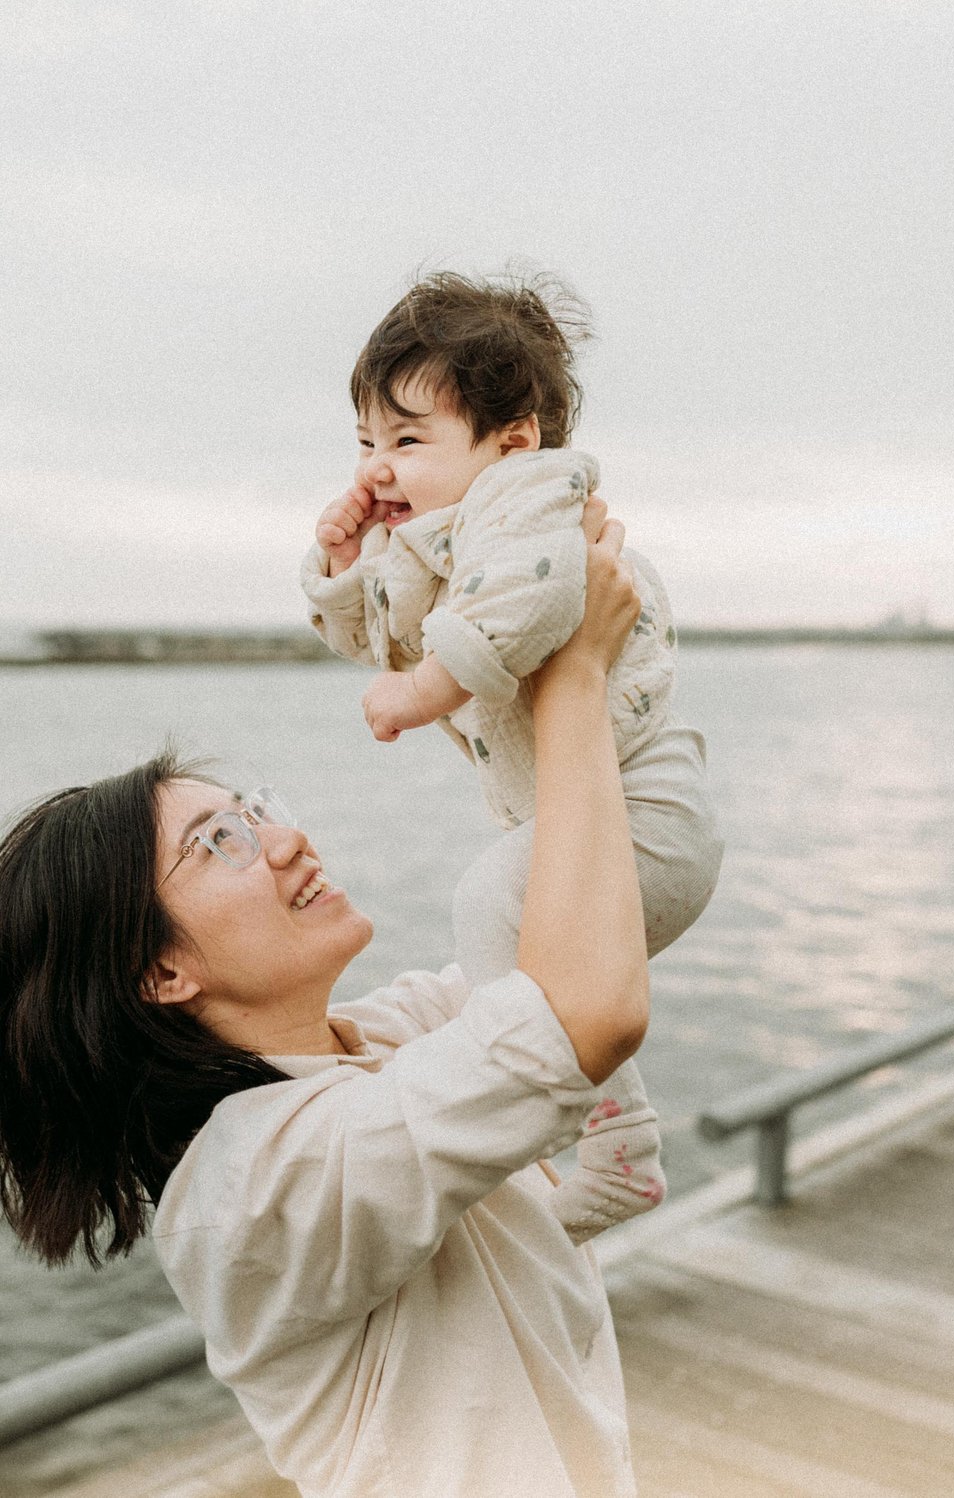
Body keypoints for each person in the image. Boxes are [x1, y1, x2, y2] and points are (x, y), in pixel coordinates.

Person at [1, 507, 650, 1497]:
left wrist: (448, 574)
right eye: (218, 843)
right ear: (159, 974)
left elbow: (573, 919)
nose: (285, 841)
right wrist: (578, 682)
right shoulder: (251, 1188)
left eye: (253, 812)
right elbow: (583, 1012)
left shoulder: (380, 1039)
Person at [302, 270, 723, 1243]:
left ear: (513, 440)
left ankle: (614, 1145)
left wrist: (415, 693)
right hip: (602, 818)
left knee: (491, 904)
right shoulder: (441, 539)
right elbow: (377, 632)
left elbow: (518, 611)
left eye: (408, 440)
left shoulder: (531, 502)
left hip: (648, 806)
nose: (379, 467)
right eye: (367, 442)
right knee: (499, 935)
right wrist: (340, 564)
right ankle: (576, 1141)